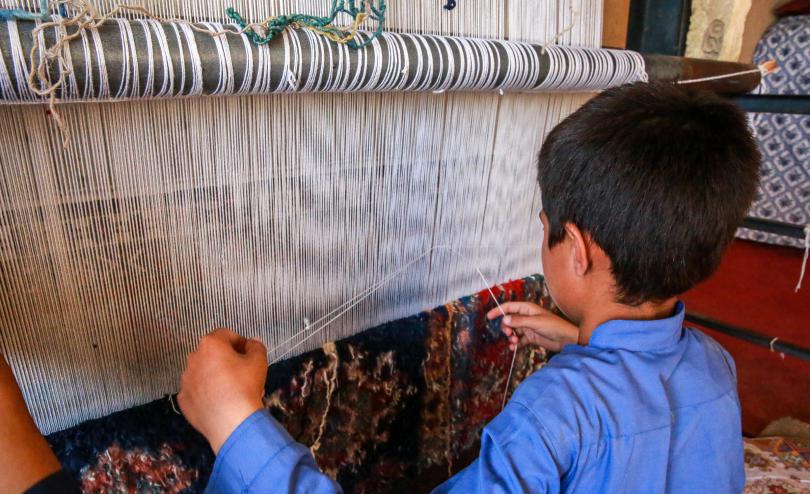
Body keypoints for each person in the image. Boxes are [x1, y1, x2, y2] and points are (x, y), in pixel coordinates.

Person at [0, 81, 760, 493]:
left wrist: (236, 425)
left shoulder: (556, 415)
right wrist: (588, 341)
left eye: (545, 224)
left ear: (580, 254)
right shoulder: (713, 370)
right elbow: (644, 402)